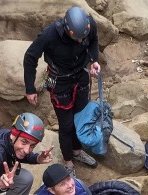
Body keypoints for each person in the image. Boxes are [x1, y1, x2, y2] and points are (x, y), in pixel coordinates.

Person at [23, 6, 100, 178]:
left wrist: (94, 60)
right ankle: (68, 161)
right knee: (66, 125)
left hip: (80, 76)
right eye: (77, 38)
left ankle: (77, 151)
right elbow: (30, 58)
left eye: (83, 38)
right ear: (67, 29)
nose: (81, 41)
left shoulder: (90, 25)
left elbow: (94, 41)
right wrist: (30, 88)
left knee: (80, 119)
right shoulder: (49, 35)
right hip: (60, 82)